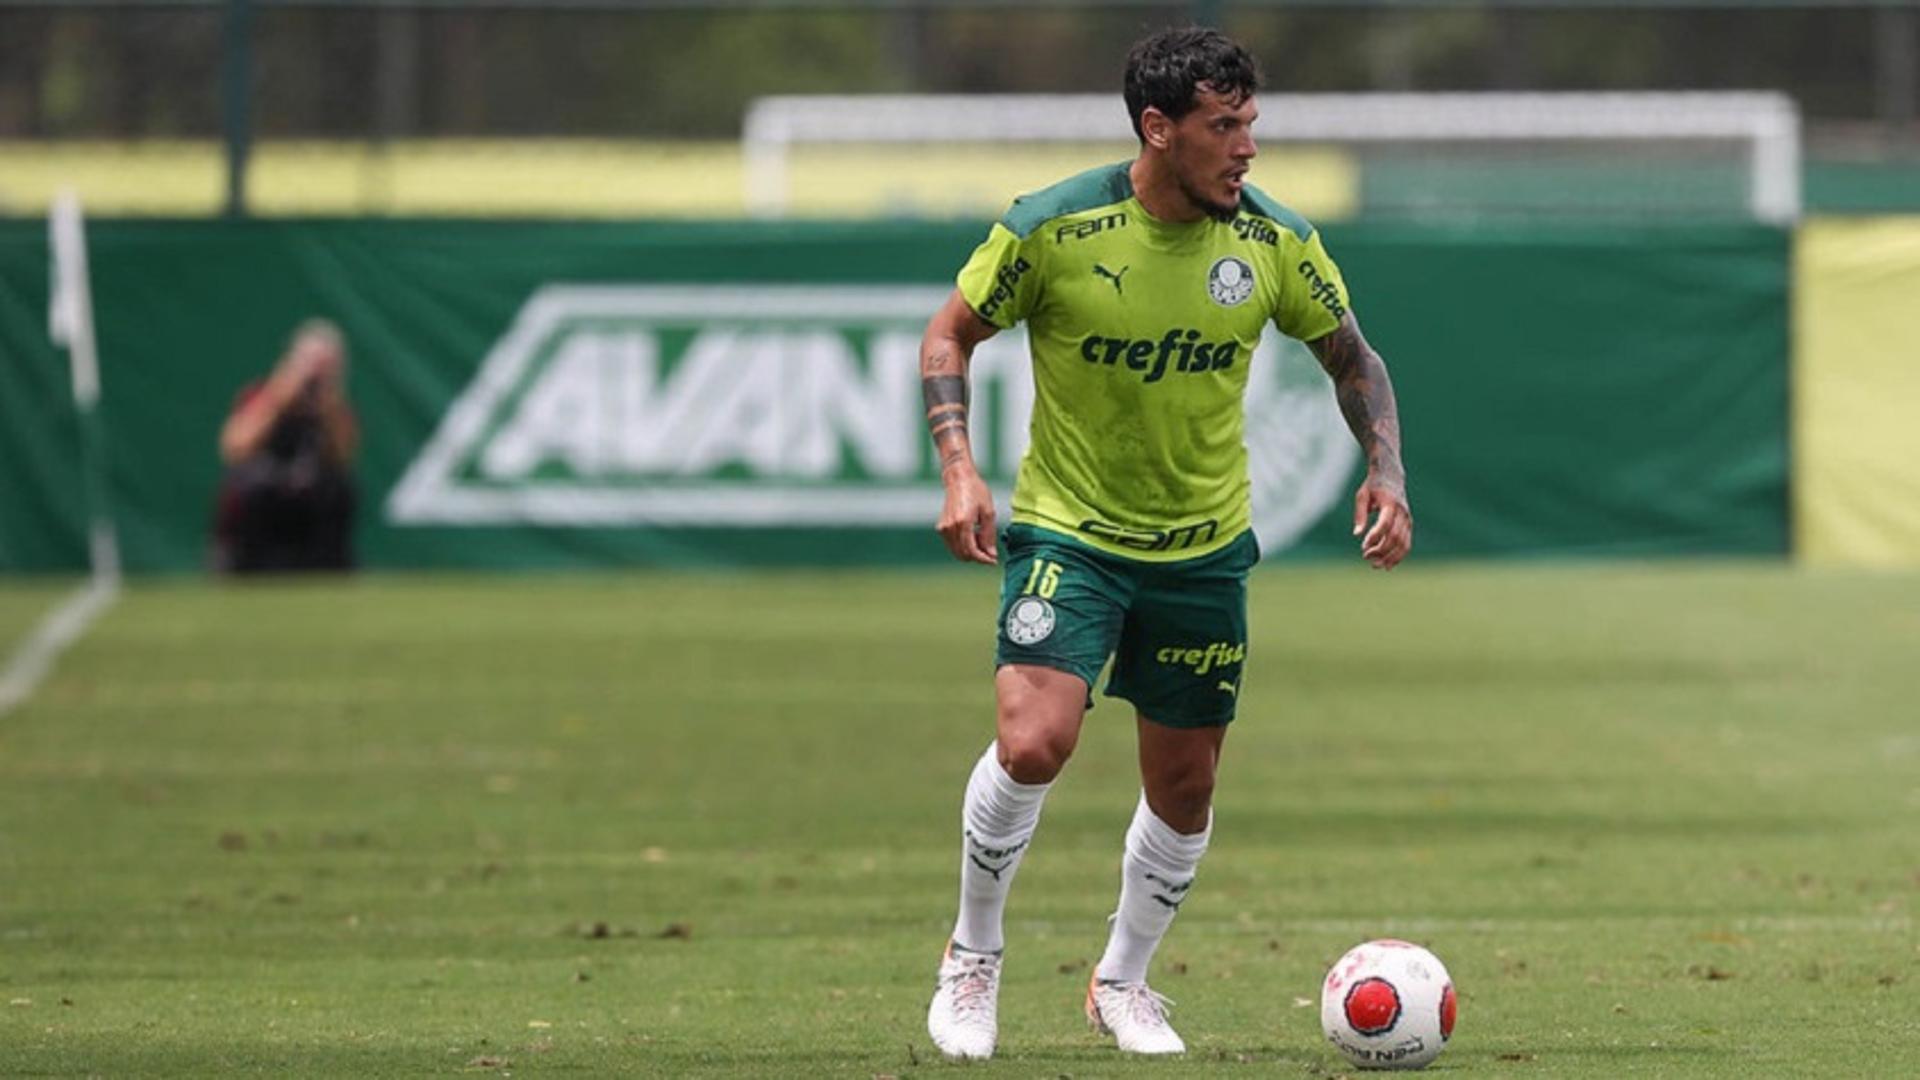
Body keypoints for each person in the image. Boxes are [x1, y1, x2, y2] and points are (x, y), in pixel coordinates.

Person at [919, 26, 1412, 1060]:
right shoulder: (1054, 228)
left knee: (1183, 789)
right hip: (1069, 533)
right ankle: (973, 956)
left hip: (1202, 551)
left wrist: (1386, 472)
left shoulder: (1274, 244)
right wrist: (960, 468)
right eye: (1223, 127)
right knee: (1032, 741)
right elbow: (949, 333)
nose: (1246, 149)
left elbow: (1355, 361)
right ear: (1159, 128)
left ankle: (1123, 982)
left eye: (1251, 124)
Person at [211, 319, 360, 574]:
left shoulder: (335, 409)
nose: (315, 375)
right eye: (311, 365)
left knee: (338, 491)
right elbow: (233, 448)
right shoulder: (261, 396)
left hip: (311, 509)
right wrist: (278, 401)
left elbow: (344, 455)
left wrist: (326, 410)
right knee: (251, 485)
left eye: (325, 367)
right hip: (262, 504)